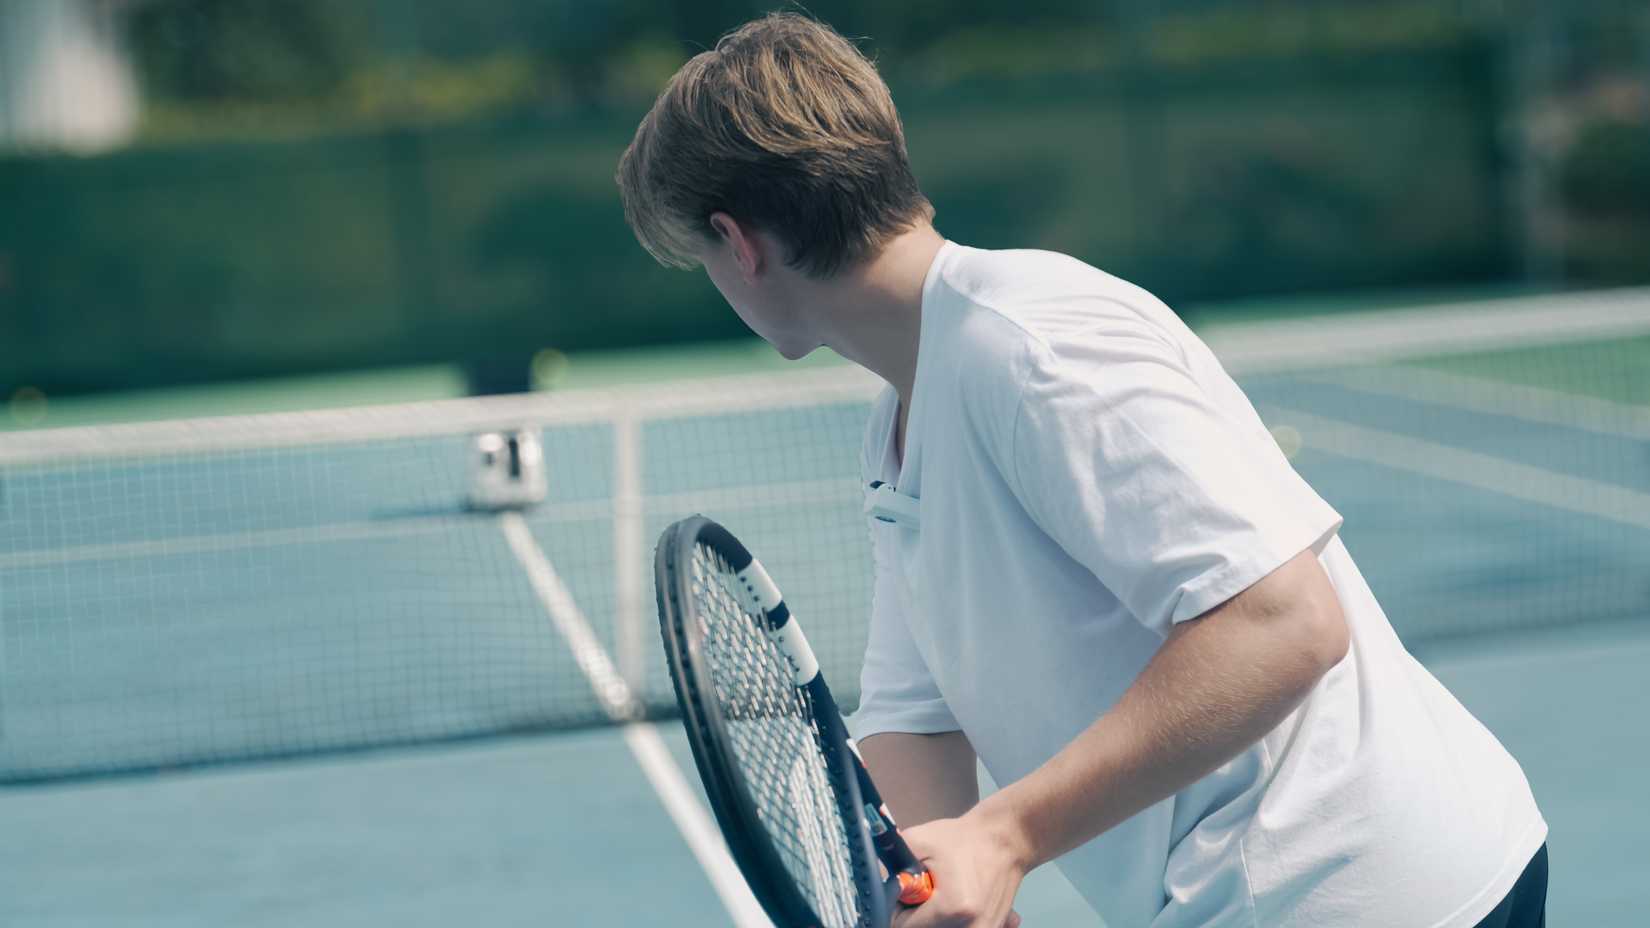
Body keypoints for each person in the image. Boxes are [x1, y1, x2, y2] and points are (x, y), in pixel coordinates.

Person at [616, 13, 1549, 928]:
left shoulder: (1033, 349)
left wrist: (1006, 836)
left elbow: (1286, 622)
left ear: (738, 245)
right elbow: (919, 716)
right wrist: (923, 884)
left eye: (701, 256)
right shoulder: (905, 413)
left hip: (1362, 889)